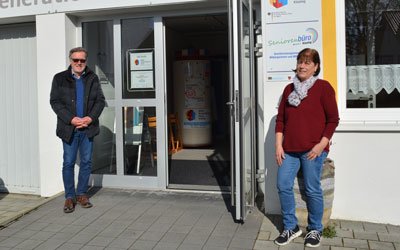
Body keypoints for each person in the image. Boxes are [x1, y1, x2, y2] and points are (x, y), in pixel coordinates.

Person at [274, 48, 339, 247]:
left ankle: (315, 229)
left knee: (312, 189)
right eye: (300, 61)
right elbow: (281, 120)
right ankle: (291, 227)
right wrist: (278, 145)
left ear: (316, 67)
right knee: (283, 184)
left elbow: (333, 120)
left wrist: (321, 145)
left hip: (313, 150)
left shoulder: (323, 88)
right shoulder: (288, 89)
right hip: (290, 150)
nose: (302, 66)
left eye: (307, 62)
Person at [50, 47, 105, 213]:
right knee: (68, 162)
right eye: (76, 60)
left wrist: (90, 118)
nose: (79, 63)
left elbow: (100, 101)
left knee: (86, 162)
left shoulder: (93, 78)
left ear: (85, 61)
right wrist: (71, 119)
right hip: (69, 129)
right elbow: (55, 102)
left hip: (88, 128)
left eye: (82, 60)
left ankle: (81, 194)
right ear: (70, 60)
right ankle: (69, 196)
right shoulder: (59, 78)